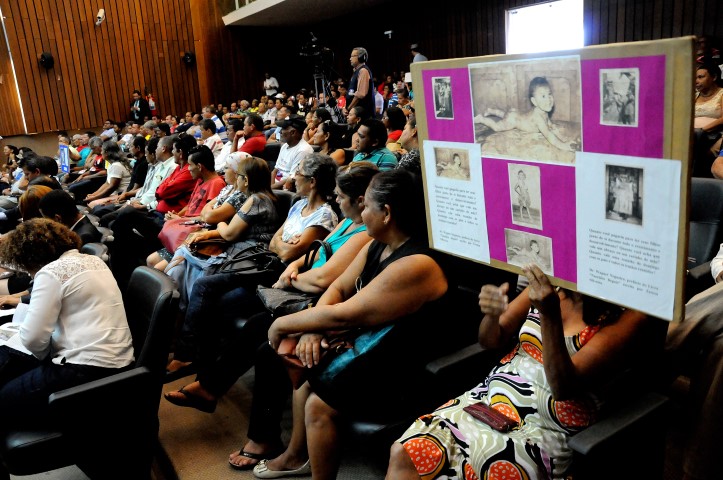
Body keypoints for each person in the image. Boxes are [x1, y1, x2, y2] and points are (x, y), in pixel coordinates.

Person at [251, 169, 454, 479]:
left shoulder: (418, 263)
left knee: (318, 403)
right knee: (300, 364)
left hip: (406, 363)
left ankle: (304, 460)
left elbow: (348, 313)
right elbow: (339, 289)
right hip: (372, 341)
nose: (361, 211)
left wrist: (284, 325)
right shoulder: (377, 243)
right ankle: (297, 455)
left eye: (367, 205)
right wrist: (311, 328)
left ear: (386, 212)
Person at [387, 265, 661, 479]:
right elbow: (490, 340)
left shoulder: (630, 315)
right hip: (489, 400)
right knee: (406, 451)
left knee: (488, 468)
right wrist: (492, 314)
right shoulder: (552, 283)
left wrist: (550, 316)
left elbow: (564, 387)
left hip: (547, 425)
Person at [166, 163, 378, 431]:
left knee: (261, 337)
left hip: (312, 292)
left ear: (359, 201)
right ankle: (208, 386)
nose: (336, 199)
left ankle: (222, 399)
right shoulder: (347, 220)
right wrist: (294, 267)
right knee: (240, 316)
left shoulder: (362, 234)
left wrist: (294, 273)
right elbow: (288, 248)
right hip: (294, 280)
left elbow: (325, 278)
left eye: (341, 196)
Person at [163, 153, 339, 381]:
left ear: (312, 181)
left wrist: (282, 244)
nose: (293, 178)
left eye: (299, 174)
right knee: (208, 293)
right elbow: (276, 240)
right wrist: (283, 243)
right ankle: (201, 367)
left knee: (205, 287)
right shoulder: (299, 204)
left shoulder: (324, 215)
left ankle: (188, 357)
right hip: (265, 263)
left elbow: (287, 252)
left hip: (279, 276)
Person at [0, 218, 133, 429]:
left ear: (29, 256)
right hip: (115, 363)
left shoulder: (51, 273)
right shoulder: (93, 260)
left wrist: (41, 358)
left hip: (86, 370)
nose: (28, 273)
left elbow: (33, 339)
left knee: (4, 397)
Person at [474, 76, 577, 152]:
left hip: (515, 114)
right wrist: (564, 145)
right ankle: (481, 119)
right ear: (534, 102)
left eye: (549, 94)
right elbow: (550, 136)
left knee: (507, 115)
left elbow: (547, 119)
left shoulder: (542, 111)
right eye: (543, 96)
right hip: (514, 120)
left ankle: (492, 111)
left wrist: (550, 124)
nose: (549, 99)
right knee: (497, 126)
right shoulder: (538, 118)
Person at [693, 63, 723, 177]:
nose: (696, 81)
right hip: (695, 135)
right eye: (695, 77)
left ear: (714, 77)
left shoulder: (721, 94)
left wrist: (702, 130)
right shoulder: (694, 96)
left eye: (701, 77)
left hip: (714, 134)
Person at [347, 47, 375, 120]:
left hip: (363, 116)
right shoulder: (356, 72)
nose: (350, 59)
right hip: (356, 114)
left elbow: (361, 94)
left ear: (361, 57)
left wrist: (348, 108)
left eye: (353, 56)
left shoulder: (363, 71)